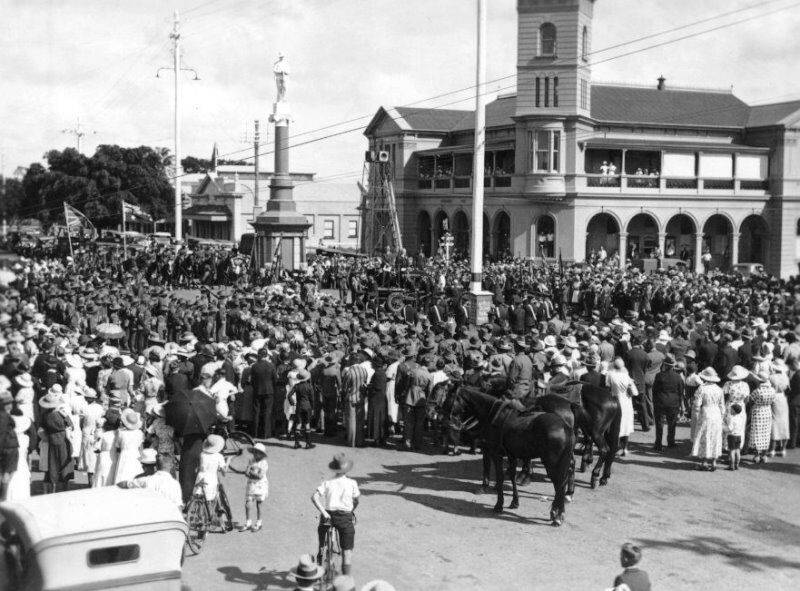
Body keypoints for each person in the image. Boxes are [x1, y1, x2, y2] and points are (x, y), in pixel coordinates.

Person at [312, 453, 360, 576]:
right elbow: (356, 501)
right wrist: (351, 510)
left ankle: (321, 552)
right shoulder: (352, 483)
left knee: (322, 532)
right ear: (346, 469)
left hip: (328, 516)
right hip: (344, 517)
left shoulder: (327, 482)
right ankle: (346, 579)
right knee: (347, 552)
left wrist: (323, 512)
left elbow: (314, 497)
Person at [194, 434, 233, 530]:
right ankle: (217, 522)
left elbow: (199, 468)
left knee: (201, 499)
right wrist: (228, 461)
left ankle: (201, 520)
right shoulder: (219, 456)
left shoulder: (202, 454)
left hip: (201, 477)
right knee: (213, 501)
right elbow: (224, 472)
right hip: (211, 479)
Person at [117, 453, 183, 510]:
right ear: (171, 466)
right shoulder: (175, 484)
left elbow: (123, 484)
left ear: (156, 466)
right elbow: (178, 508)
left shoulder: (145, 480)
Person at [690, 367, 725, 471]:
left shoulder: (702, 388)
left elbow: (697, 404)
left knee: (705, 436)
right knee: (715, 436)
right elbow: (722, 405)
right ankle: (714, 461)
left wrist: (696, 414)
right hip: (716, 413)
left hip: (706, 412)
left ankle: (704, 462)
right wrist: (722, 416)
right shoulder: (719, 389)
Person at [606, 357, 638, 456]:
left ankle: (616, 447)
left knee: (616, 426)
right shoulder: (626, 376)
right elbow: (635, 392)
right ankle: (625, 448)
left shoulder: (610, 374)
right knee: (626, 426)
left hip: (615, 402)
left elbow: (607, 387)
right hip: (627, 403)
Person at [651, 354, 683, 450]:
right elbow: (681, 392)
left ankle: (658, 443)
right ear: (673, 366)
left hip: (660, 402)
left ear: (665, 365)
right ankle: (671, 442)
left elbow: (654, 390)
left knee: (659, 424)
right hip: (673, 403)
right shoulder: (678, 377)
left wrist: (655, 401)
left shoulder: (659, 376)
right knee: (672, 423)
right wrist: (681, 405)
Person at [240, 442, 269, 532]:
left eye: (258, 453)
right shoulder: (251, 460)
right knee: (248, 503)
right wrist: (250, 472)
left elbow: (259, 476)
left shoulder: (264, 463)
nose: (256, 454)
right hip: (251, 484)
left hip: (260, 485)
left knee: (259, 504)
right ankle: (248, 522)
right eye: (255, 452)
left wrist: (251, 472)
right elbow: (246, 472)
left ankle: (259, 522)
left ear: (262, 454)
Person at [748, 370, 775, 464]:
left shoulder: (757, 391)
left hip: (758, 411)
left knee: (757, 433)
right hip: (767, 411)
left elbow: (750, 400)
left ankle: (757, 455)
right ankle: (764, 455)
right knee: (766, 433)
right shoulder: (772, 390)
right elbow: (773, 401)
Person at [113, 409, 144, 484]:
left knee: (123, 472)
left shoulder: (121, 433)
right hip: (136, 454)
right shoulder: (139, 433)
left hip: (125, 454)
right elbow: (141, 447)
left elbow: (117, 446)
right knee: (134, 472)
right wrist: (141, 456)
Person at [92, 410, 120, 487]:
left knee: (101, 477)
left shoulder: (103, 434)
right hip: (115, 457)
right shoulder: (119, 434)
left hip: (104, 457)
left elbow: (96, 448)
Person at [0, 390, 19, 501]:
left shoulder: (4, 415)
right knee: (6, 474)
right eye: (9, 403)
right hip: (8, 447)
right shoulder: (3, 416)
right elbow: (2, 434)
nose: (11, 405)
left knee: (5, 474)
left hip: (7, 446)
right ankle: (2, 499)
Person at [723, 403, 746, 470]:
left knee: (732, 451)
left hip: (732, 436)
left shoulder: (732, 418)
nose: (730, 411)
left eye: (731, 410)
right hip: (739, 435)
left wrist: (723, 427)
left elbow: (730, 428)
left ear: (734, 411)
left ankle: (731, 465)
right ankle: (737, 465)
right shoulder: (741, 418)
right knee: (737, 450)